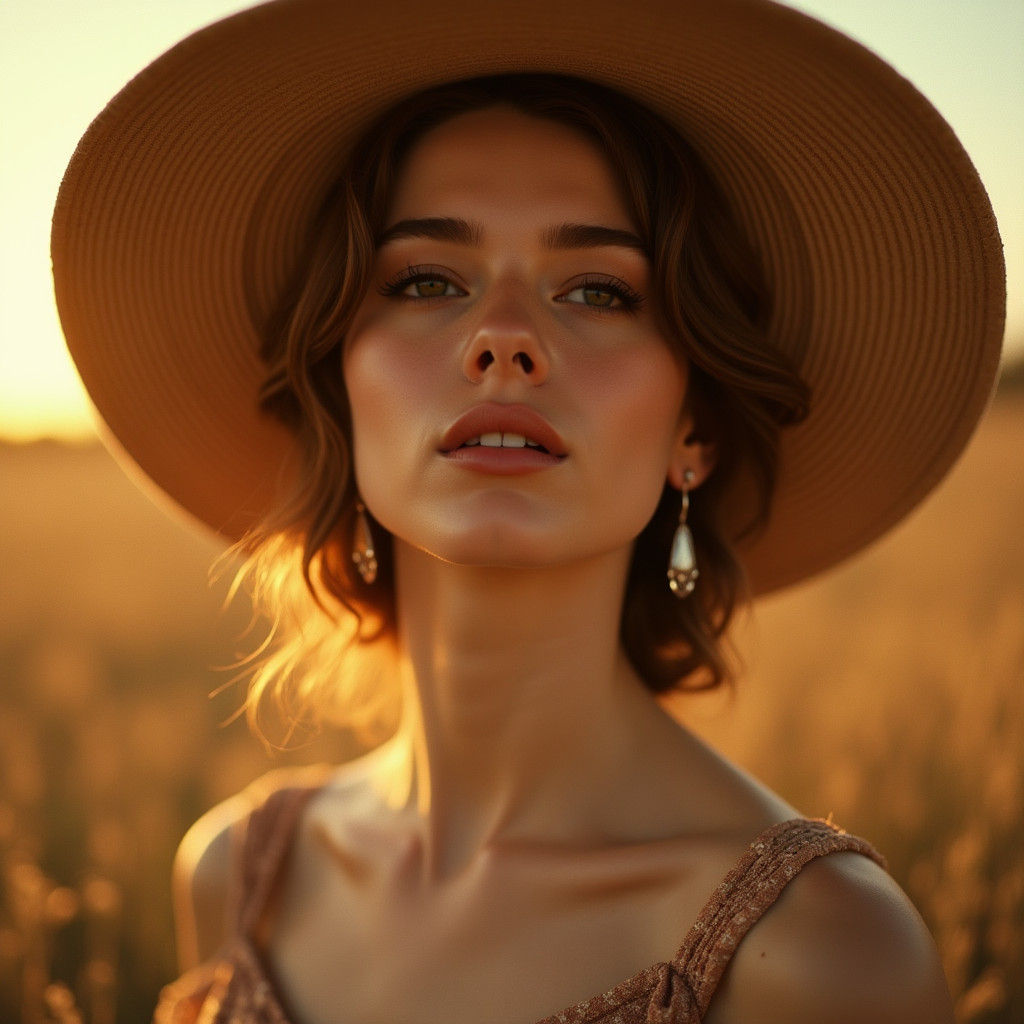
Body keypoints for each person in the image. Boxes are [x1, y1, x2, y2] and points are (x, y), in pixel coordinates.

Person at [51, 1, 1004, 1021]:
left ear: (695, 431)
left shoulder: (821, 949)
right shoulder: (239, 875)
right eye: (426, 278)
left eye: (596, 290)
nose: (503, 337)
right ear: (339, 388)